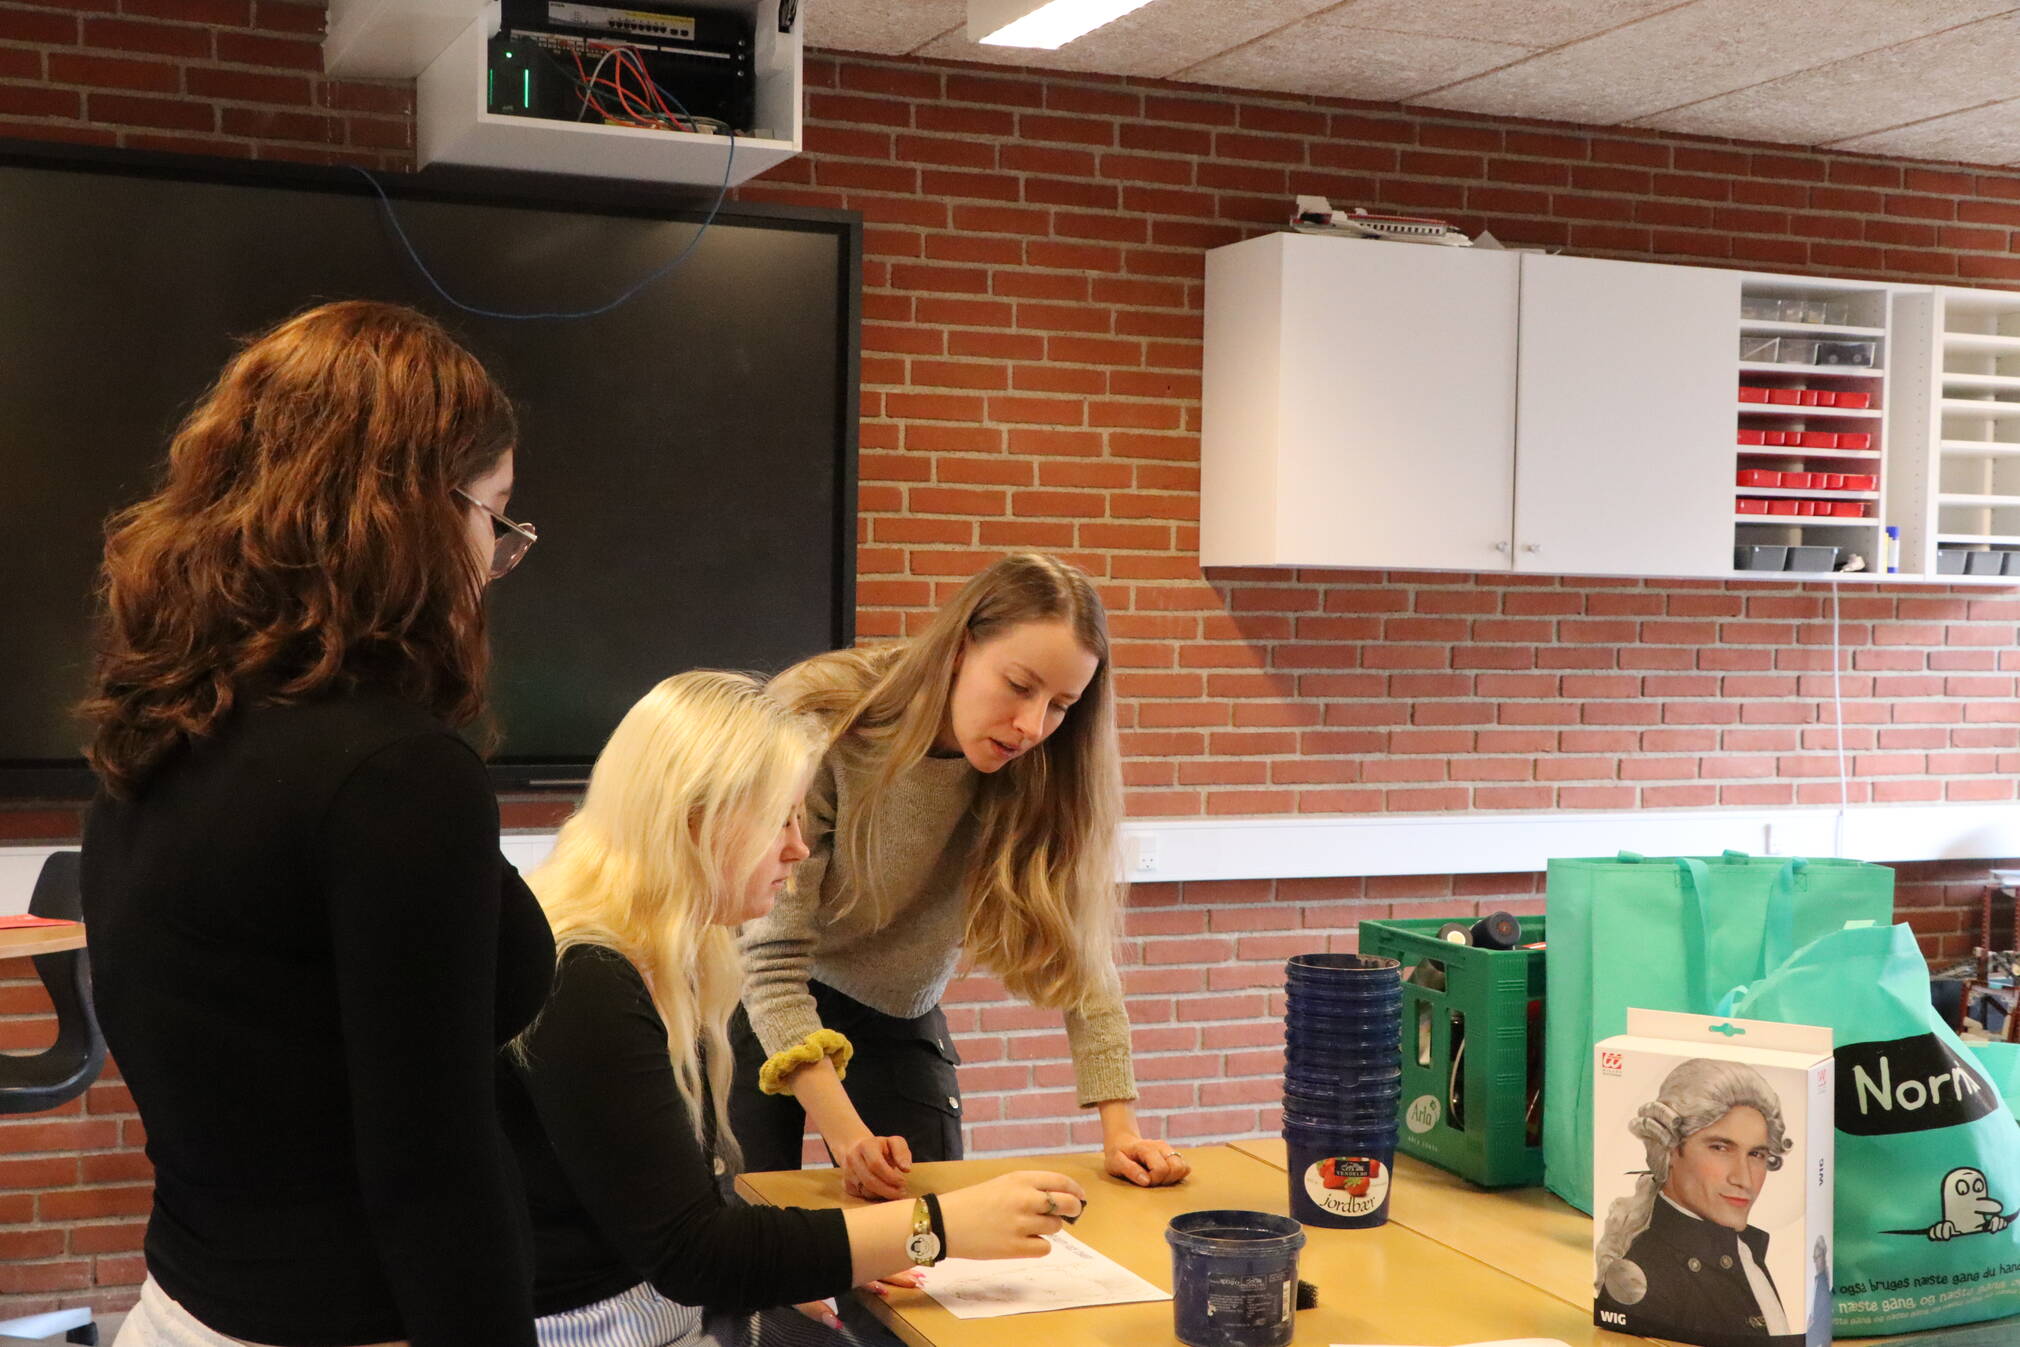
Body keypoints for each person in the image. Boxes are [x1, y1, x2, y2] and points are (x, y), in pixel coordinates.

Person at [78, 301, 554, 1347]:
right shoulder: (393, 774)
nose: (493, 561)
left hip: (181, 1307)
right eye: (493, 514)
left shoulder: (161, 722)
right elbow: (433, 1167)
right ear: (414, 514)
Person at [501, 671, 1087, 1347]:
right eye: (779, 818)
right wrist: (938, 1225)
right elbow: (693, 1252)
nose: (798, 848)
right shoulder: (585, 978)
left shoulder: (662, 954)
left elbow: (683, 1213)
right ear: (695, 818)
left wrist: (798, 1263)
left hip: (658, 1310)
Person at [732, 552, 1188, 1198]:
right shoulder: (824, 716)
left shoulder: (1046, 763)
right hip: (758, 989)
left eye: (1060, 704)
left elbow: (1080, 953)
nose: (1032, 726)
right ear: (959, 647)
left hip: (894, 1007)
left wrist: (1122, 1130)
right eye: (1019, 685)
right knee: (748, 1217)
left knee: (929, 1228)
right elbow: (771, 963)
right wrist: (851, 1139)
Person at [1595, 1058, 1797, 1345]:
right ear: (1669, 1150)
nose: (1744, 1179)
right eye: (1720, 1148)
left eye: (1756, 1154)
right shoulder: (1644, 1279)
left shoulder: (1745, 1251)